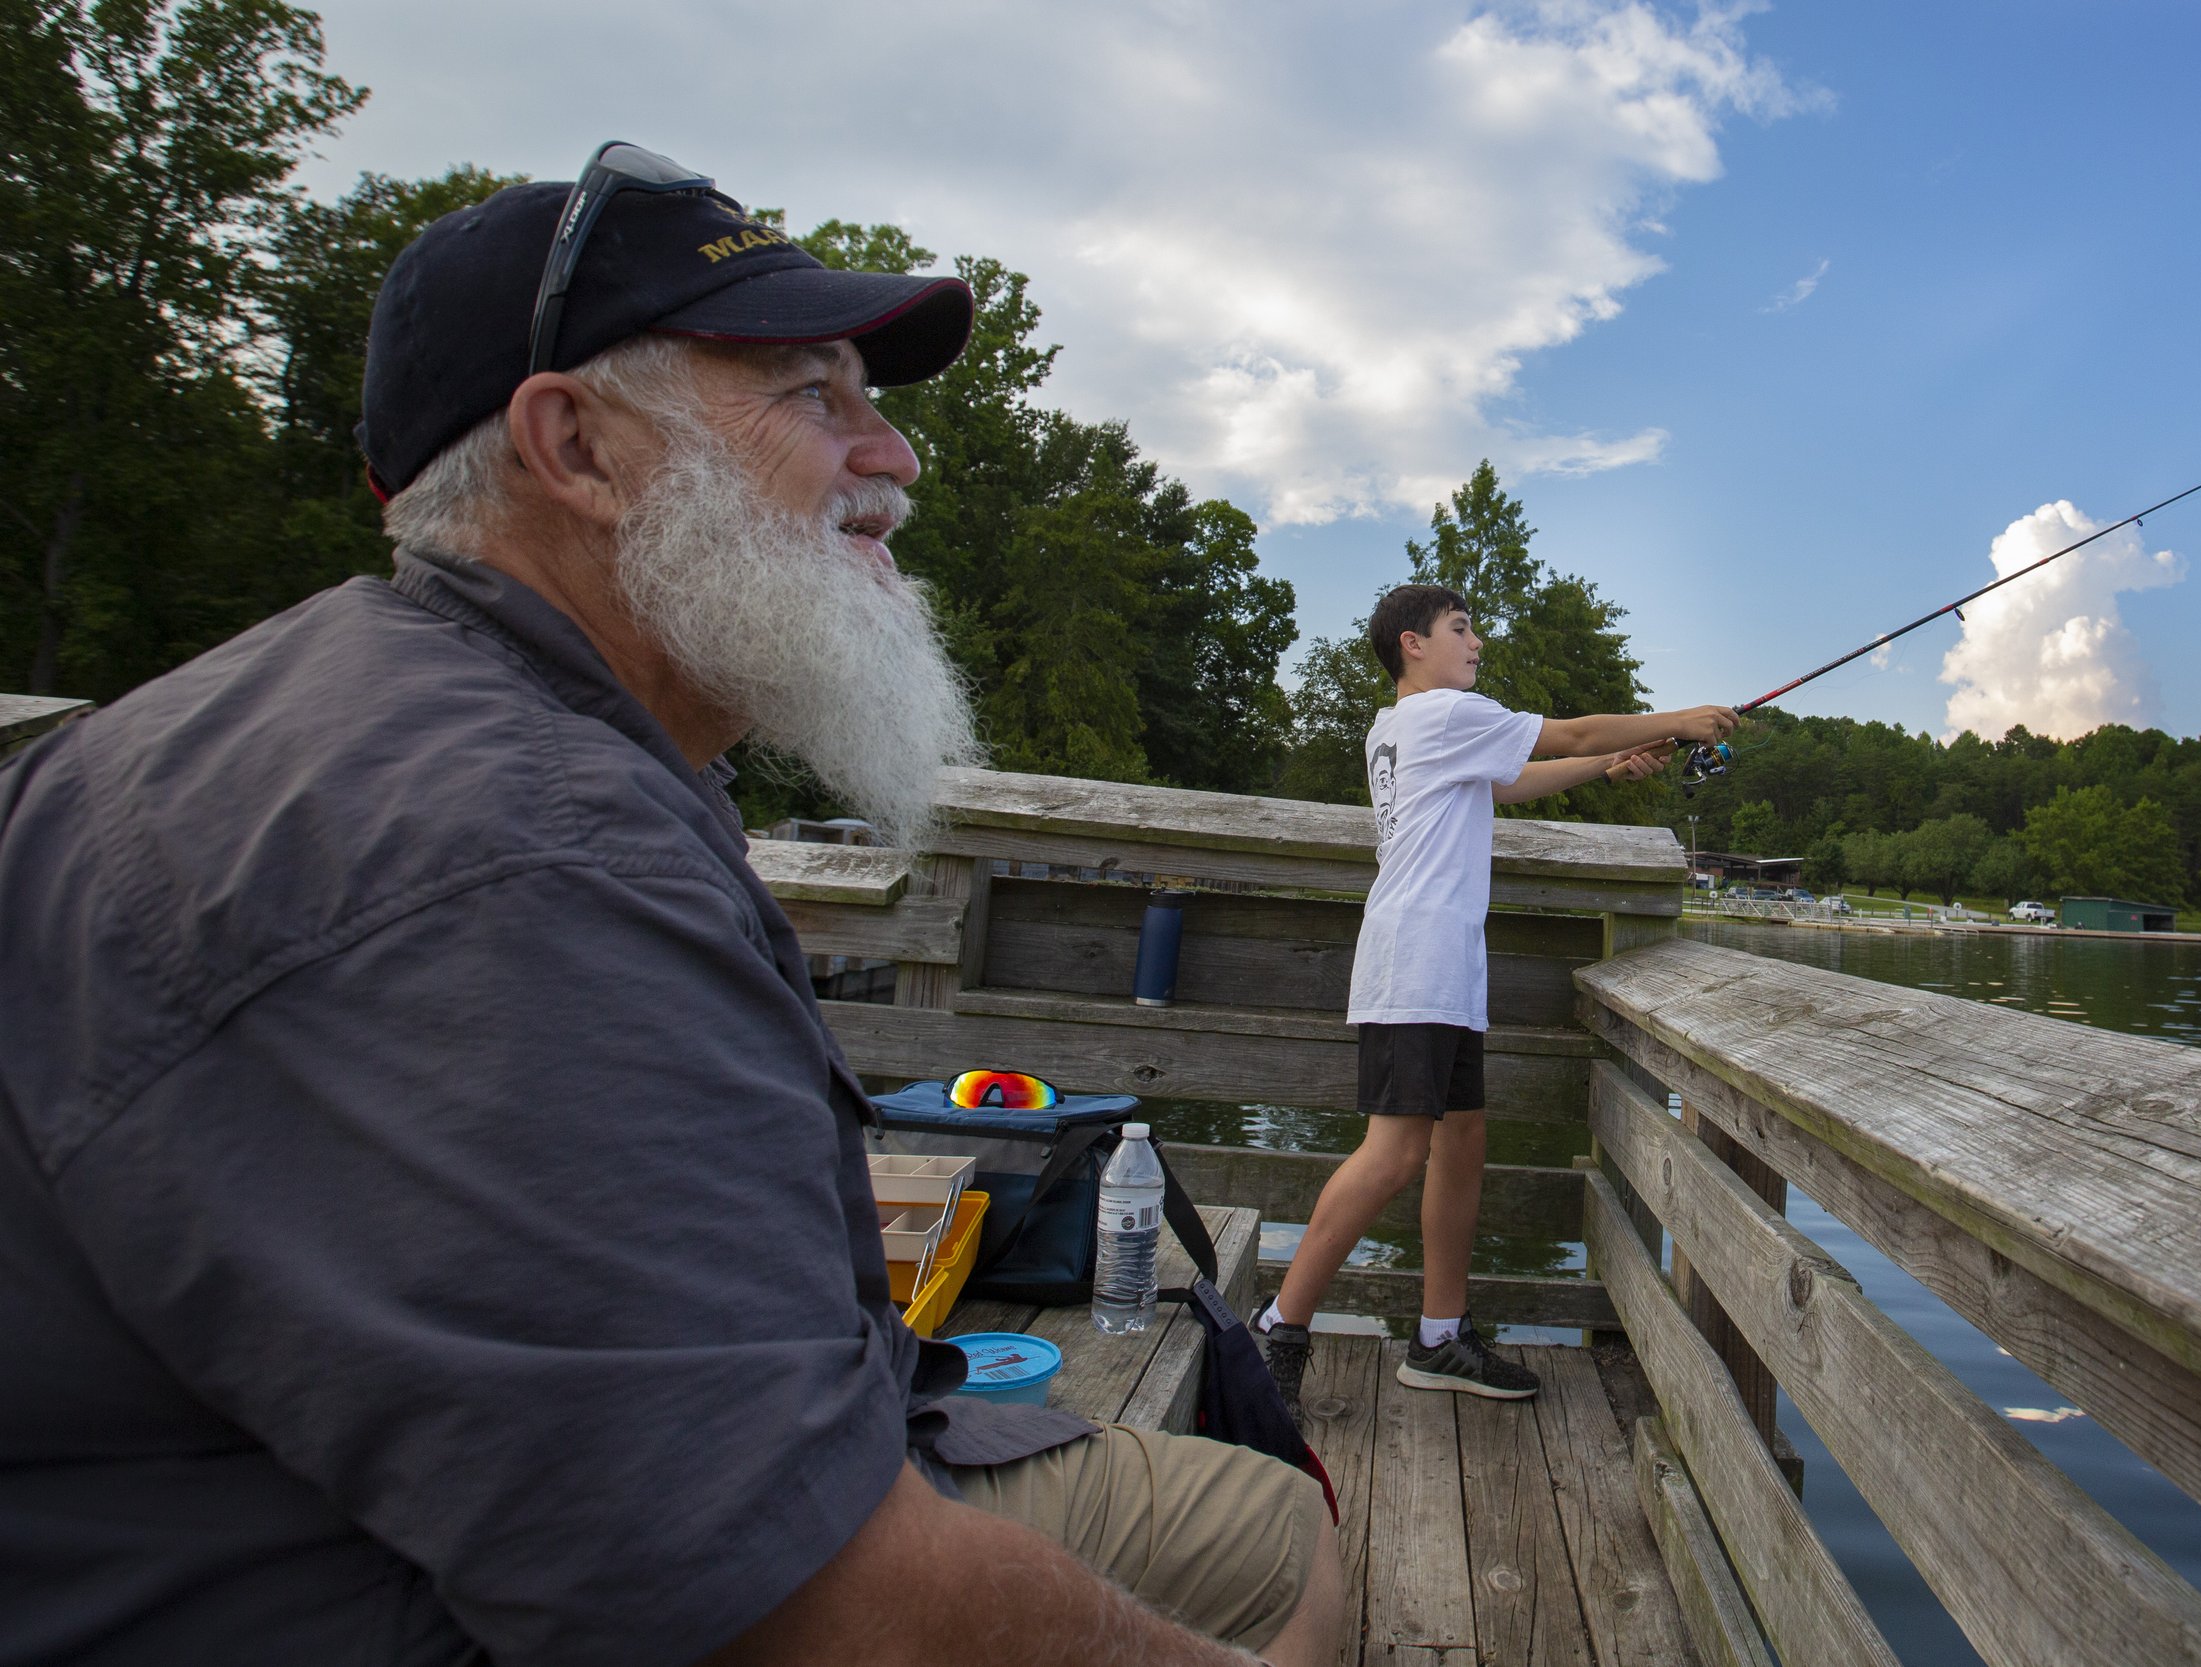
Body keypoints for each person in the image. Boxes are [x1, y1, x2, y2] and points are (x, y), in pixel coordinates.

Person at [0, 144, 1335, 1667]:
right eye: (810, 394)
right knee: (1272, 1557)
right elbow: (809, 1607)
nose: (893, 453)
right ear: (575, 447)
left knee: (1265, 1526)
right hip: (349, 1594)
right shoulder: (511, 851)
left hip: (342, 1519)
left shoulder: (394, 722)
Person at [1255, 584, 1736, 1416]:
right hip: (1416, 966)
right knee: (1395, 1154)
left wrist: (1615, 763)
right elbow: (1573, 730)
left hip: (1439, 969)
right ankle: (1277, 1334)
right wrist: (1680, 718)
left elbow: (1509, 781)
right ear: (1413, 643)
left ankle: (1440, 1335)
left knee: (1464, 1140)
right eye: (1460, 628)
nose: (1476, 641)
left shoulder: (1400, 727)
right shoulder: (1441, 715)